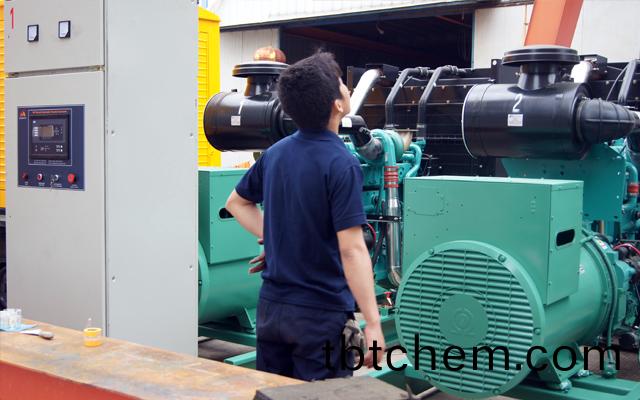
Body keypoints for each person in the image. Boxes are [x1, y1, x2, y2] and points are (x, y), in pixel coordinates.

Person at [225, 52, 385, 381]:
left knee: (274, 392)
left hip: (272, 312)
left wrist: (277, 241)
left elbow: (237, 203)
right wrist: (372, 322)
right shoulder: (341, 162)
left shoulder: (275, 153)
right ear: (337, 104)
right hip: (320, 317)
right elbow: (352, 249)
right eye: (342, 84)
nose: (347, 88)